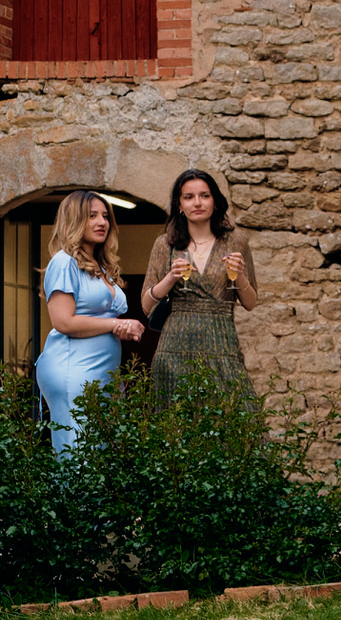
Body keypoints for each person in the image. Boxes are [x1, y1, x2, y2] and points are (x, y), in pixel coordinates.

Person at [34, 191, 145, 454]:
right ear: (73, 220)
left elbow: (102, 317)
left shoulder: (102, 266)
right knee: (78, 454)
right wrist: (115, 326)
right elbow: (63, 322)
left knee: (101, 456)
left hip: (103, 370)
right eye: (92, 216)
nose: (102, 222)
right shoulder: (64, 262)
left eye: (105, 216)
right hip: (73, 367)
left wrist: (124, 329)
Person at [141, 169, 260, 404]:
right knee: (176, 418)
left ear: (215, 201)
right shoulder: (165, 244)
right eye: (189, 197)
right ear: (179, 205)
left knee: (234, 414)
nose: (197, 203)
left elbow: (250, 302)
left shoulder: (236, 241)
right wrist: (170, 278)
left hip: (222, 343)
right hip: (175, 345)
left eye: (205, 195)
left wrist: (240, 277)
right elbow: (146, 305)